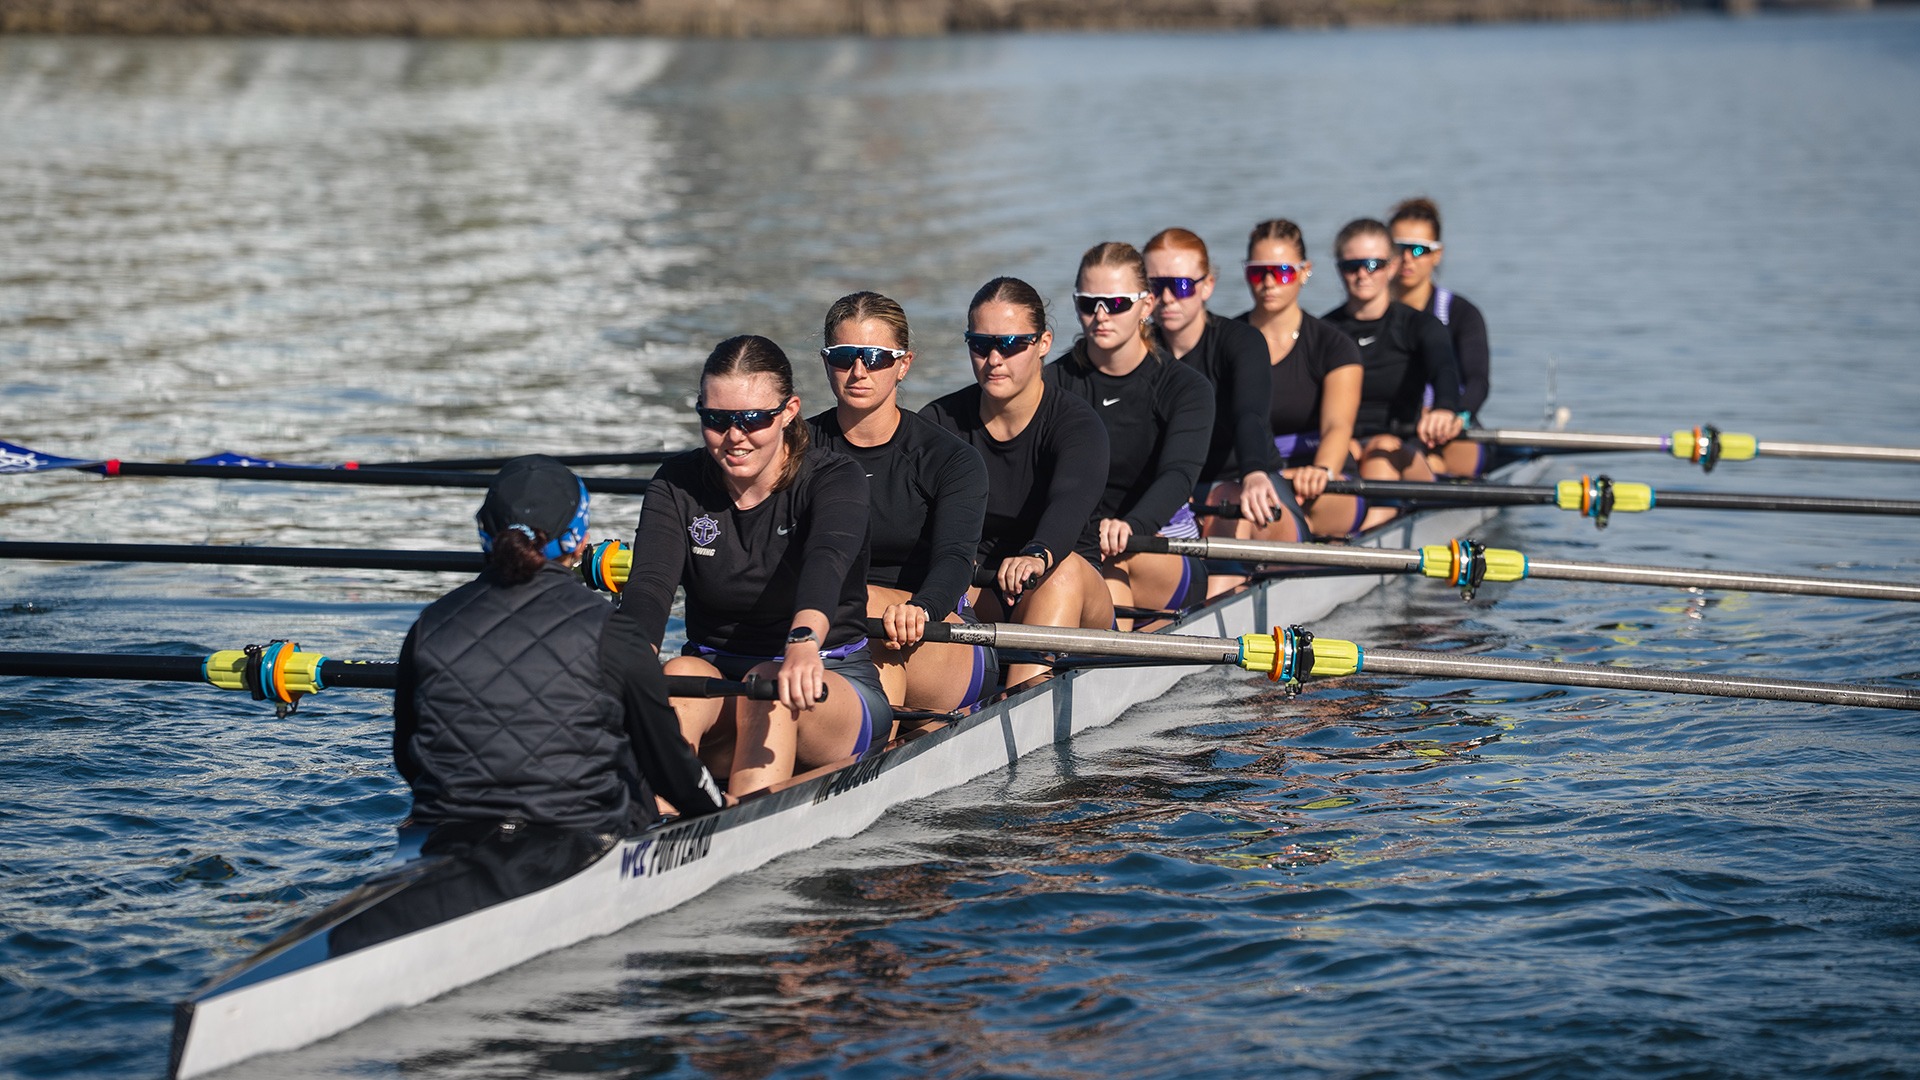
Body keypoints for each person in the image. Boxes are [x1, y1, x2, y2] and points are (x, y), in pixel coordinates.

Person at [393, 454, 726, 836]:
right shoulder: (613, 631)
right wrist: (720, 805)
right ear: (581, 540)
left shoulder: (431, 624)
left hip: (447, 831)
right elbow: (666, 765)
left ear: (484, 531)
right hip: (579, 835)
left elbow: (409, 758)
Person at [620, 336, 893, 797]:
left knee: (769, 681)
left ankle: (741, 822)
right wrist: (627, 665)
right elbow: (649, 587)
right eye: (717, 420)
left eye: (753, 419)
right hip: (718, 681)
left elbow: (825, 563)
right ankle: (657, 822)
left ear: (789, 412)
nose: (735, 437)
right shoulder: (677, 483)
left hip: (827, 682)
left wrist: (803, 642)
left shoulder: (834, 478)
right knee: (677, 678)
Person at [806, 291, 996, 714]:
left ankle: (866, 755)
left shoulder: (950, 459)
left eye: (875, 357)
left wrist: (921, 608)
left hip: (929, 629)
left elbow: (955, 559)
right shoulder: (793, 450)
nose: (858, 371)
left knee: (862, 603)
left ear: (903, 364)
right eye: (843, 356)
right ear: (825, 362)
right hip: (817, 625)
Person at [922, 276, 1114, 687]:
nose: (994, 359)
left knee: (1059, 573)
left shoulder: (1077, 425)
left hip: (1069, 589)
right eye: (980, 344)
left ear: (1043, 343)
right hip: (981, 590)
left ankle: (1020, 701)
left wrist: (1038, 554)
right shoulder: (939, 423)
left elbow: (1069, 503)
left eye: (1010, 345)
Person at [1047, 240, 1214, 627]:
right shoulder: (1051, 384)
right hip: (1079, 545)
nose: (1101, 315)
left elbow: (1178, 475)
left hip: (1158, 541)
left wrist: (1132, 525)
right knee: (1093, 573)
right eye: (1089, 303)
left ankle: (1091, 658)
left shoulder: (1185, 388)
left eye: (1117, 303)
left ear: (1147, 305)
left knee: (1108, 571)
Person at [1223, 219, 1364, 542]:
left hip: (1320, 480)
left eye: (1282, 271)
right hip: (1250, 477)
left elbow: (1337, 427)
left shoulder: (1333, 345)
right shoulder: (1226, 341)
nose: (1269, 282)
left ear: (1304, 271)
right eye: (1258, 272)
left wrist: (1321, 472)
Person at [1143, 227, 1286, 536]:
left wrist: (1255, 473)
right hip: (1171, 495)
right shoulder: (1134, 352)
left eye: (1180, 286)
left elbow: (1250, 416)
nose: (1166, 298)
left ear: (1207, 285)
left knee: (1229, 494)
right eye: (1155, 286)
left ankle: (1227, 580)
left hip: (1247, 484)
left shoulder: (1242, 342)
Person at [1322, 217, 1463, 528]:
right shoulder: (1325, 331)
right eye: (1351, 266)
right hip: (1346, 446)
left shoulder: (1420, 325)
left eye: (1372, 264)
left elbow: (1445, 370)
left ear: (1391, 266)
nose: (1362, 274)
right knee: (1345, 448)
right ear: (1339, 269)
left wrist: (1444, 408)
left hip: (1405, 450)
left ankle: (1367, 533)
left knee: (1380, 448)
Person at [1389, 196, 1490, 477]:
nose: (1407, 258)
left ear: (1437, 254)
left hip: (1451, 431)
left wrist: (1452, 415)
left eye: (1419, 249)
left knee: (1435, 460)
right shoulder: (1366, 315)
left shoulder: (1462, 314)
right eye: (1399, 248)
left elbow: (1478, 382)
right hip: (1390, 430)